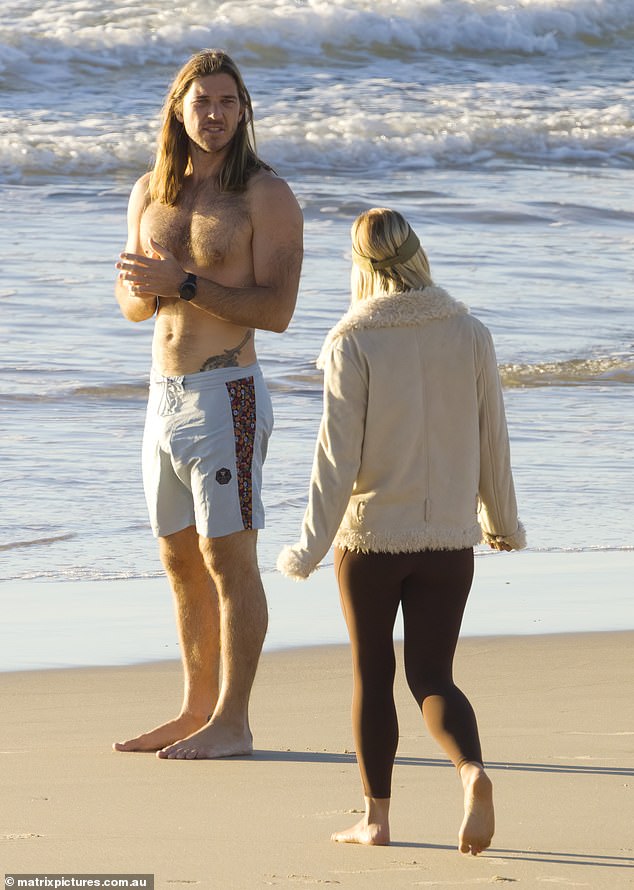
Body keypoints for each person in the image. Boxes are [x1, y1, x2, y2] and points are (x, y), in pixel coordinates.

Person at [277, 208, 525, 853]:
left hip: (372, 542)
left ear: (359, 265)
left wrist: (306, 548)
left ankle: (376, 821)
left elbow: (336, 460)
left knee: (372, 673)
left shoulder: (351, 340)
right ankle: (470, 770)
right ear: (417, 253)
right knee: (434, 677)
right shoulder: (470, 332)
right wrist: (503, 522)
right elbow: (491, 438)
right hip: (448, 538)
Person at [113, 49, 303, 760]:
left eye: (229, 102)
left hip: (228, 397)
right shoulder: (148, 192)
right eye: (204, 102)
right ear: (179, 108)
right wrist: (147, 287)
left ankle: (235, 720)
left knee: (230, 560)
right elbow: (132, 304)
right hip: (161, 398)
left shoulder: (265, 196)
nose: (216, 115)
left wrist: (184, 283)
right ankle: (195, 708)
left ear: (244, 109)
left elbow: (277, 310)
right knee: (178, 559)